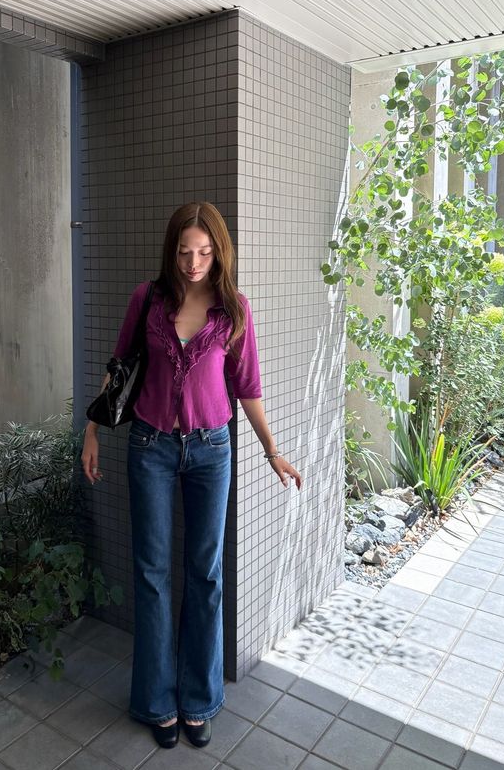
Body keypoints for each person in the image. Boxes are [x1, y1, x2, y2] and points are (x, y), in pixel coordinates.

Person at [81, 202, 302, 750]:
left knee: (205, 574)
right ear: (172, 250)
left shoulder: (235, 310)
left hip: (211, 451)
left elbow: (247, 388)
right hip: (150, 447)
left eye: (204, 252)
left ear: (219, 252)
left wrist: (272, 450)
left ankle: (198, 700)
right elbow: (119, 368)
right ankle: (158, 702)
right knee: (152, 572)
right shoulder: (147, 299)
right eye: (185, 251)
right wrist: (91, 430)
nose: (194, 262)